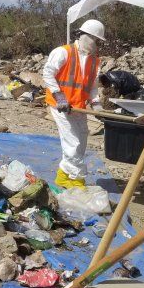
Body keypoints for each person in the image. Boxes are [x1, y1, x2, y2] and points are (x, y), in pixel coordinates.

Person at [43, 19, 105, 189]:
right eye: (96, 40)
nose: (97, 44)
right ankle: (77, 180)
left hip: (78, 107)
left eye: (99, 41)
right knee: (73, 142)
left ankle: (63, 176)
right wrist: (59, 96)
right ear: (85, 36)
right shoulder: (63, 52)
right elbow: (48, 74)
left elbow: (92, 86)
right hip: (60, 105)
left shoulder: (94, 61)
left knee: (82, 140)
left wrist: (96, 102)